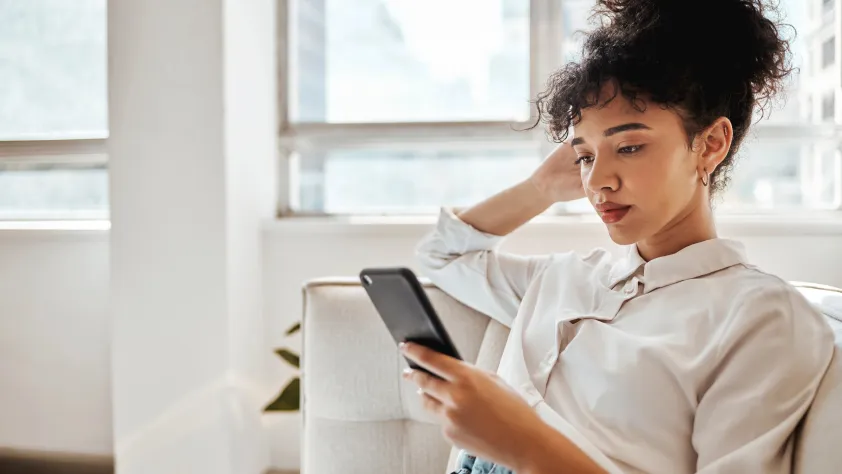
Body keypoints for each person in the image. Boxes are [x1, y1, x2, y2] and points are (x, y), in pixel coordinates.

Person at [397, 0, 835, 473]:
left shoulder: (759, 316)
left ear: (710, 145)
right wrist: (541, 188)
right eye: (585, 156)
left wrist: (524, 444)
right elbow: (441, 257)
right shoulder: (564, 277)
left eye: (629, 146)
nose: (596, 181)